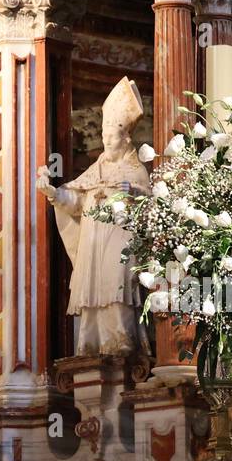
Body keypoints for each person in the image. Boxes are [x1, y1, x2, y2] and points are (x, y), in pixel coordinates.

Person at [37, 77, 151, 356]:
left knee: (117, 285)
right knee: (91, 288)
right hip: (93, 240)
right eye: (103, 136)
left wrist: (133, 192)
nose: (105, 141)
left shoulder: (135, 171)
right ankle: (89, 343)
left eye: (110, 137)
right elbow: (76, 200)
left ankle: (123, 340)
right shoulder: (95, 170)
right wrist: (54, 193)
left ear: (126, 139)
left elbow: (151, 204)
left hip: (119, 239)